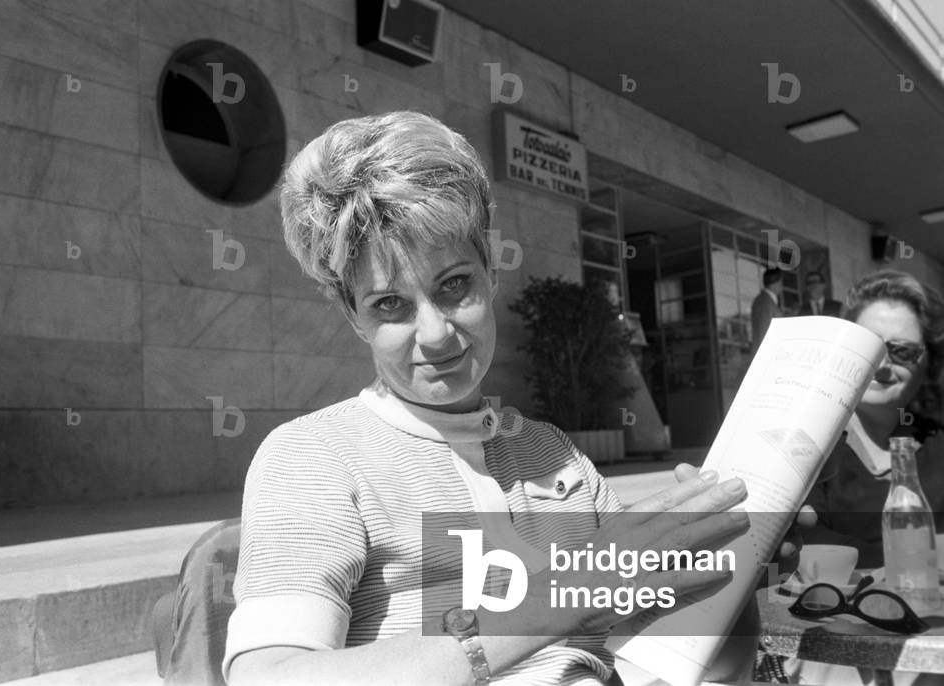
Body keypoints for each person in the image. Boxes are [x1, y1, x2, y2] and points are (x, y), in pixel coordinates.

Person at [222, 111, 802, 686]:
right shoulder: (316, 456)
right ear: (354, 317)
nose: (435, 334)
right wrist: (568, 592)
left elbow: (698, 668)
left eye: (454, 285)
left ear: (491, 274)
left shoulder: (555, 457)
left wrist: (733, 572)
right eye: (390, 304)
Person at [805, 270, 944, 567]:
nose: (881, 365)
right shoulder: (810, 439)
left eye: (903, 351)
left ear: (929, 364)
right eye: (867, 345)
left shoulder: (938, 445)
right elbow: (806, 540)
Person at [751, 268, 784, 351]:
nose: (782, 286)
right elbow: (763, 331)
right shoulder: (764, 302)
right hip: (767, 355)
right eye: (781, 282)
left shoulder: (764, 300)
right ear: (777, 282)